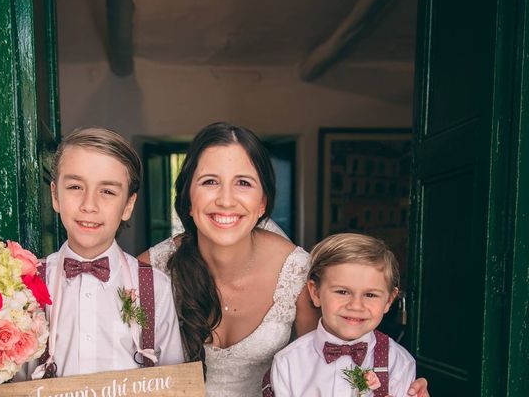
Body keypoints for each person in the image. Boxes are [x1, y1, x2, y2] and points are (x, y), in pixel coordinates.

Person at [139, 122, 429, 397]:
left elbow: (325, 367)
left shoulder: (295, 271)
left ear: (263, 201)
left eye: (243, 183)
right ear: (188, 198)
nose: (226, 200)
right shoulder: (146, 272)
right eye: (210, 181)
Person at [28, 127, 184, 379]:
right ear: (55, 195)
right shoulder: (29, 285)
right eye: (76, 187)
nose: (89, 205)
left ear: (128, 205)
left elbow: (176, 385)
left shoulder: (155, 287)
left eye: (108, 191)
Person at [270, 233, 415, 396]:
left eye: (370, 295)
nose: (356, 306)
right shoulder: (288, 363)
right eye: (342, 292)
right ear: (316, 293)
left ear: (389, 300)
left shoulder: (399, 363)